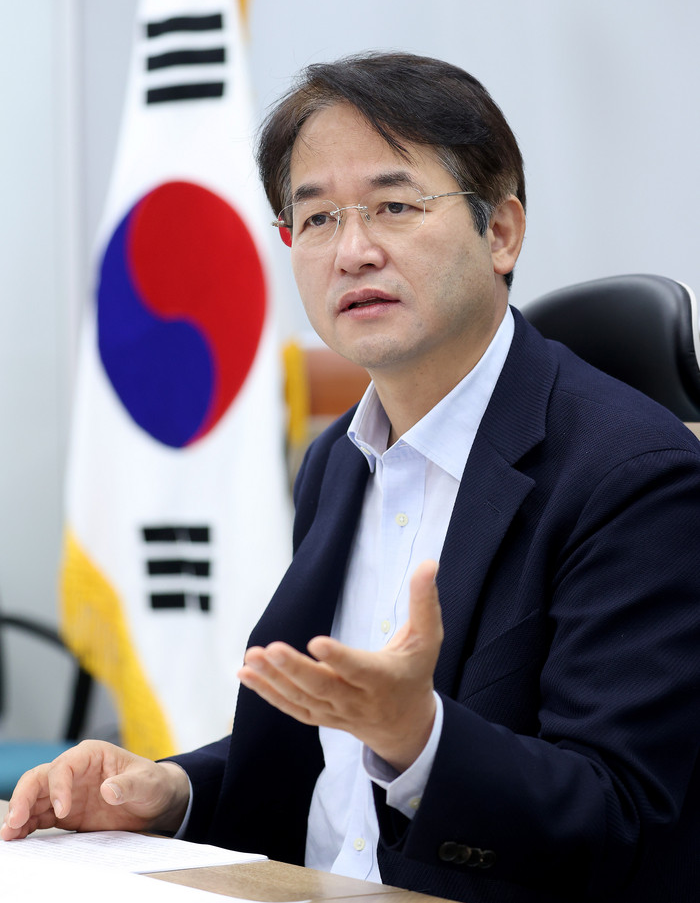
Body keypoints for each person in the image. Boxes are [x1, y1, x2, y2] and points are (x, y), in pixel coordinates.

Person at [3, 52, 700, 903]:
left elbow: (622, 819)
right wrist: (170, 792)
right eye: (318, 218)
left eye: (394, 206)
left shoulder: (635, 478)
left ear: (501, 233)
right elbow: (321, 757)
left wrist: (422, 742)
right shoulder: (338, 458)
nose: (353, 250)